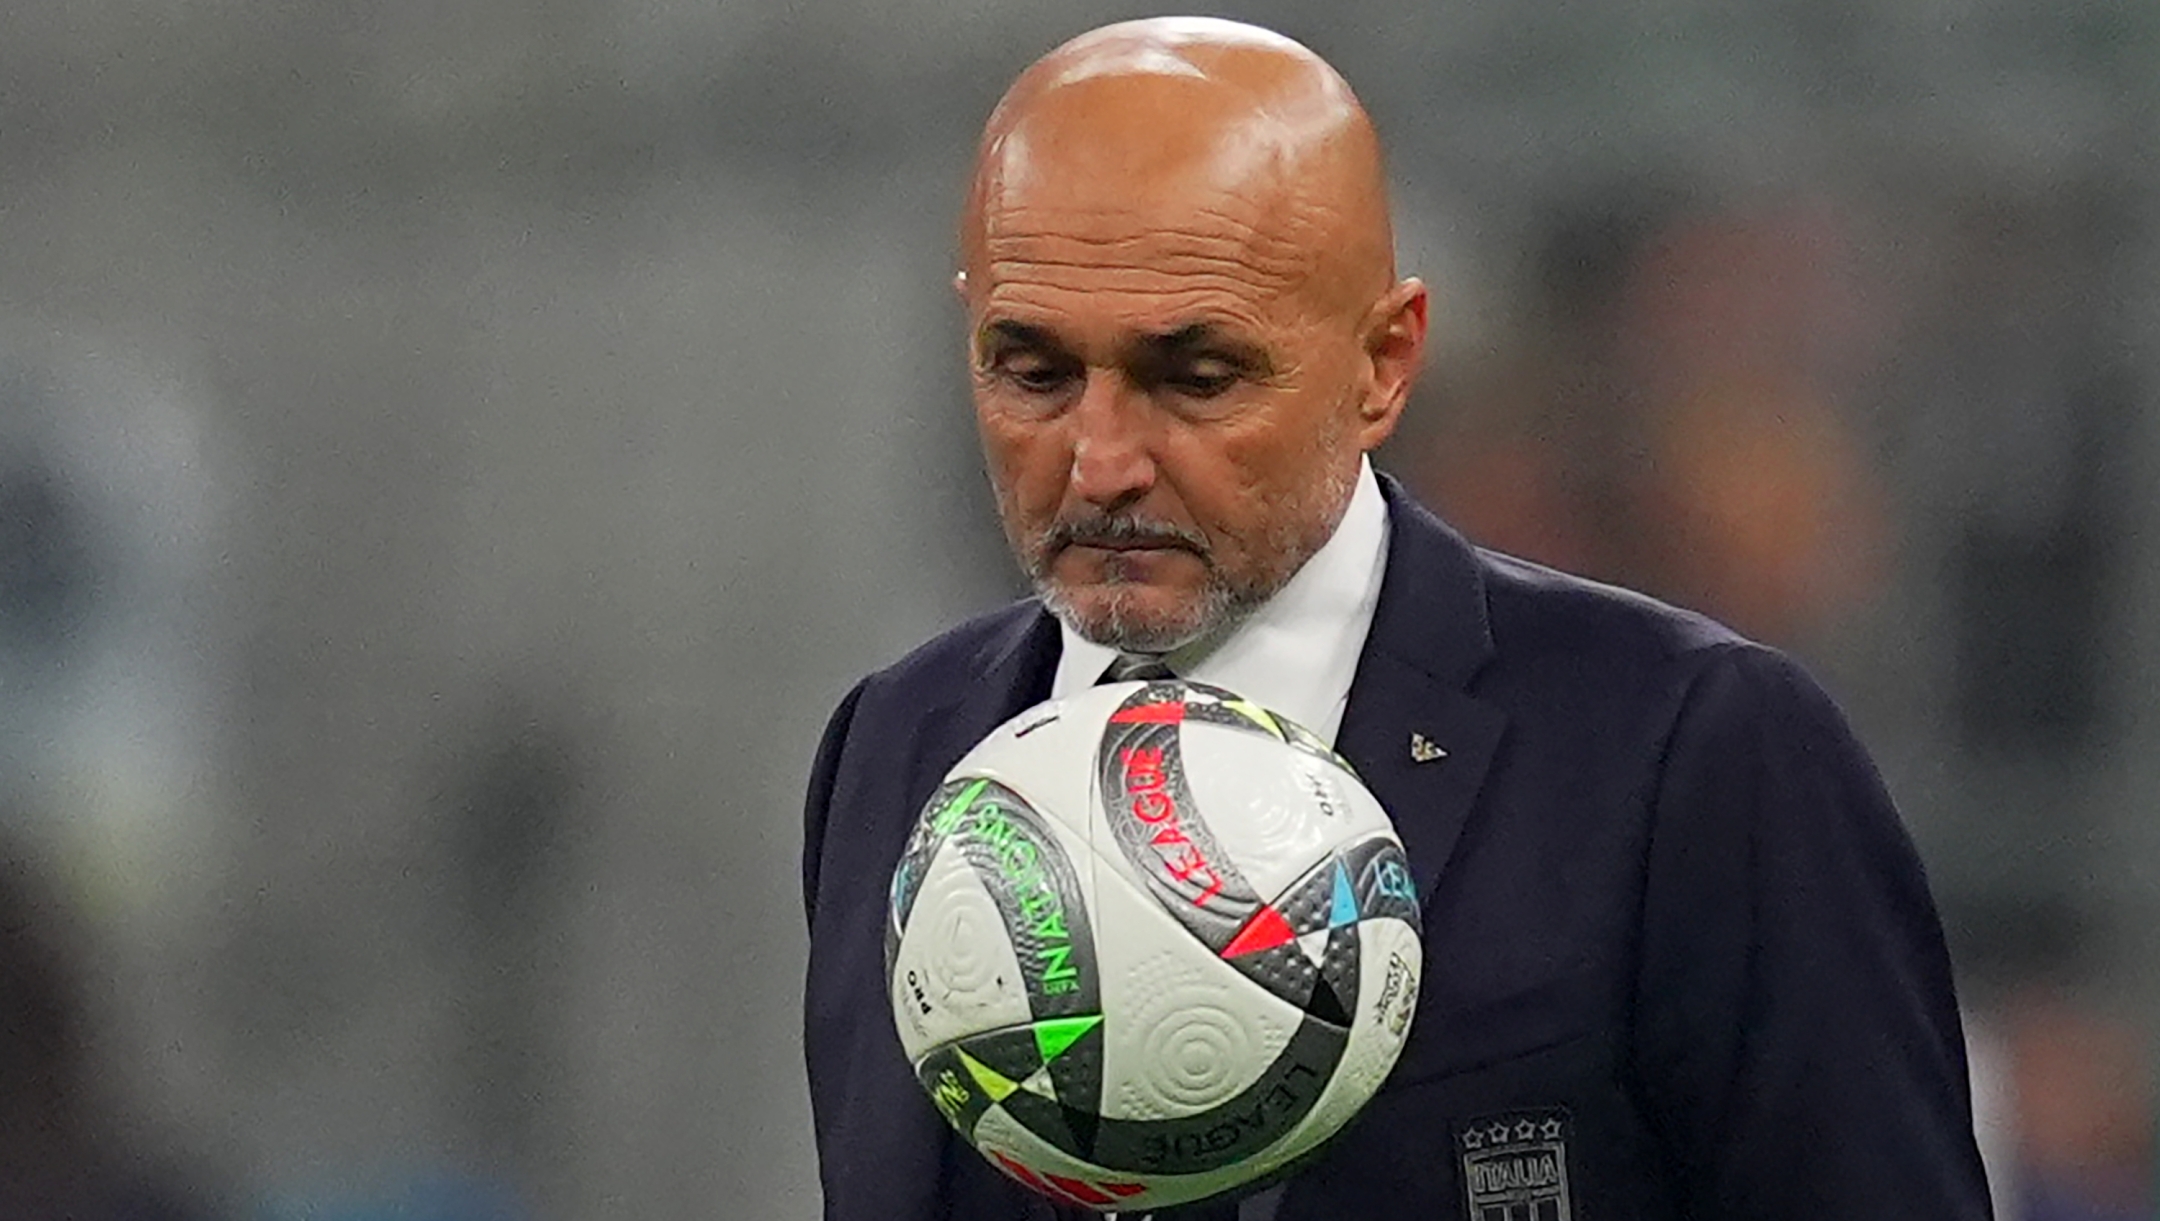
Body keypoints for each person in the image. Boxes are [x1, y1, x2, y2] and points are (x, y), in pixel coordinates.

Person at [800, 17, 1991, 1221]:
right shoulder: (895, 746)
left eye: (1197, 377)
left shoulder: (1689, 753)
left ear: (1384, 362)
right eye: (1034, 372)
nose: (1100, 461)